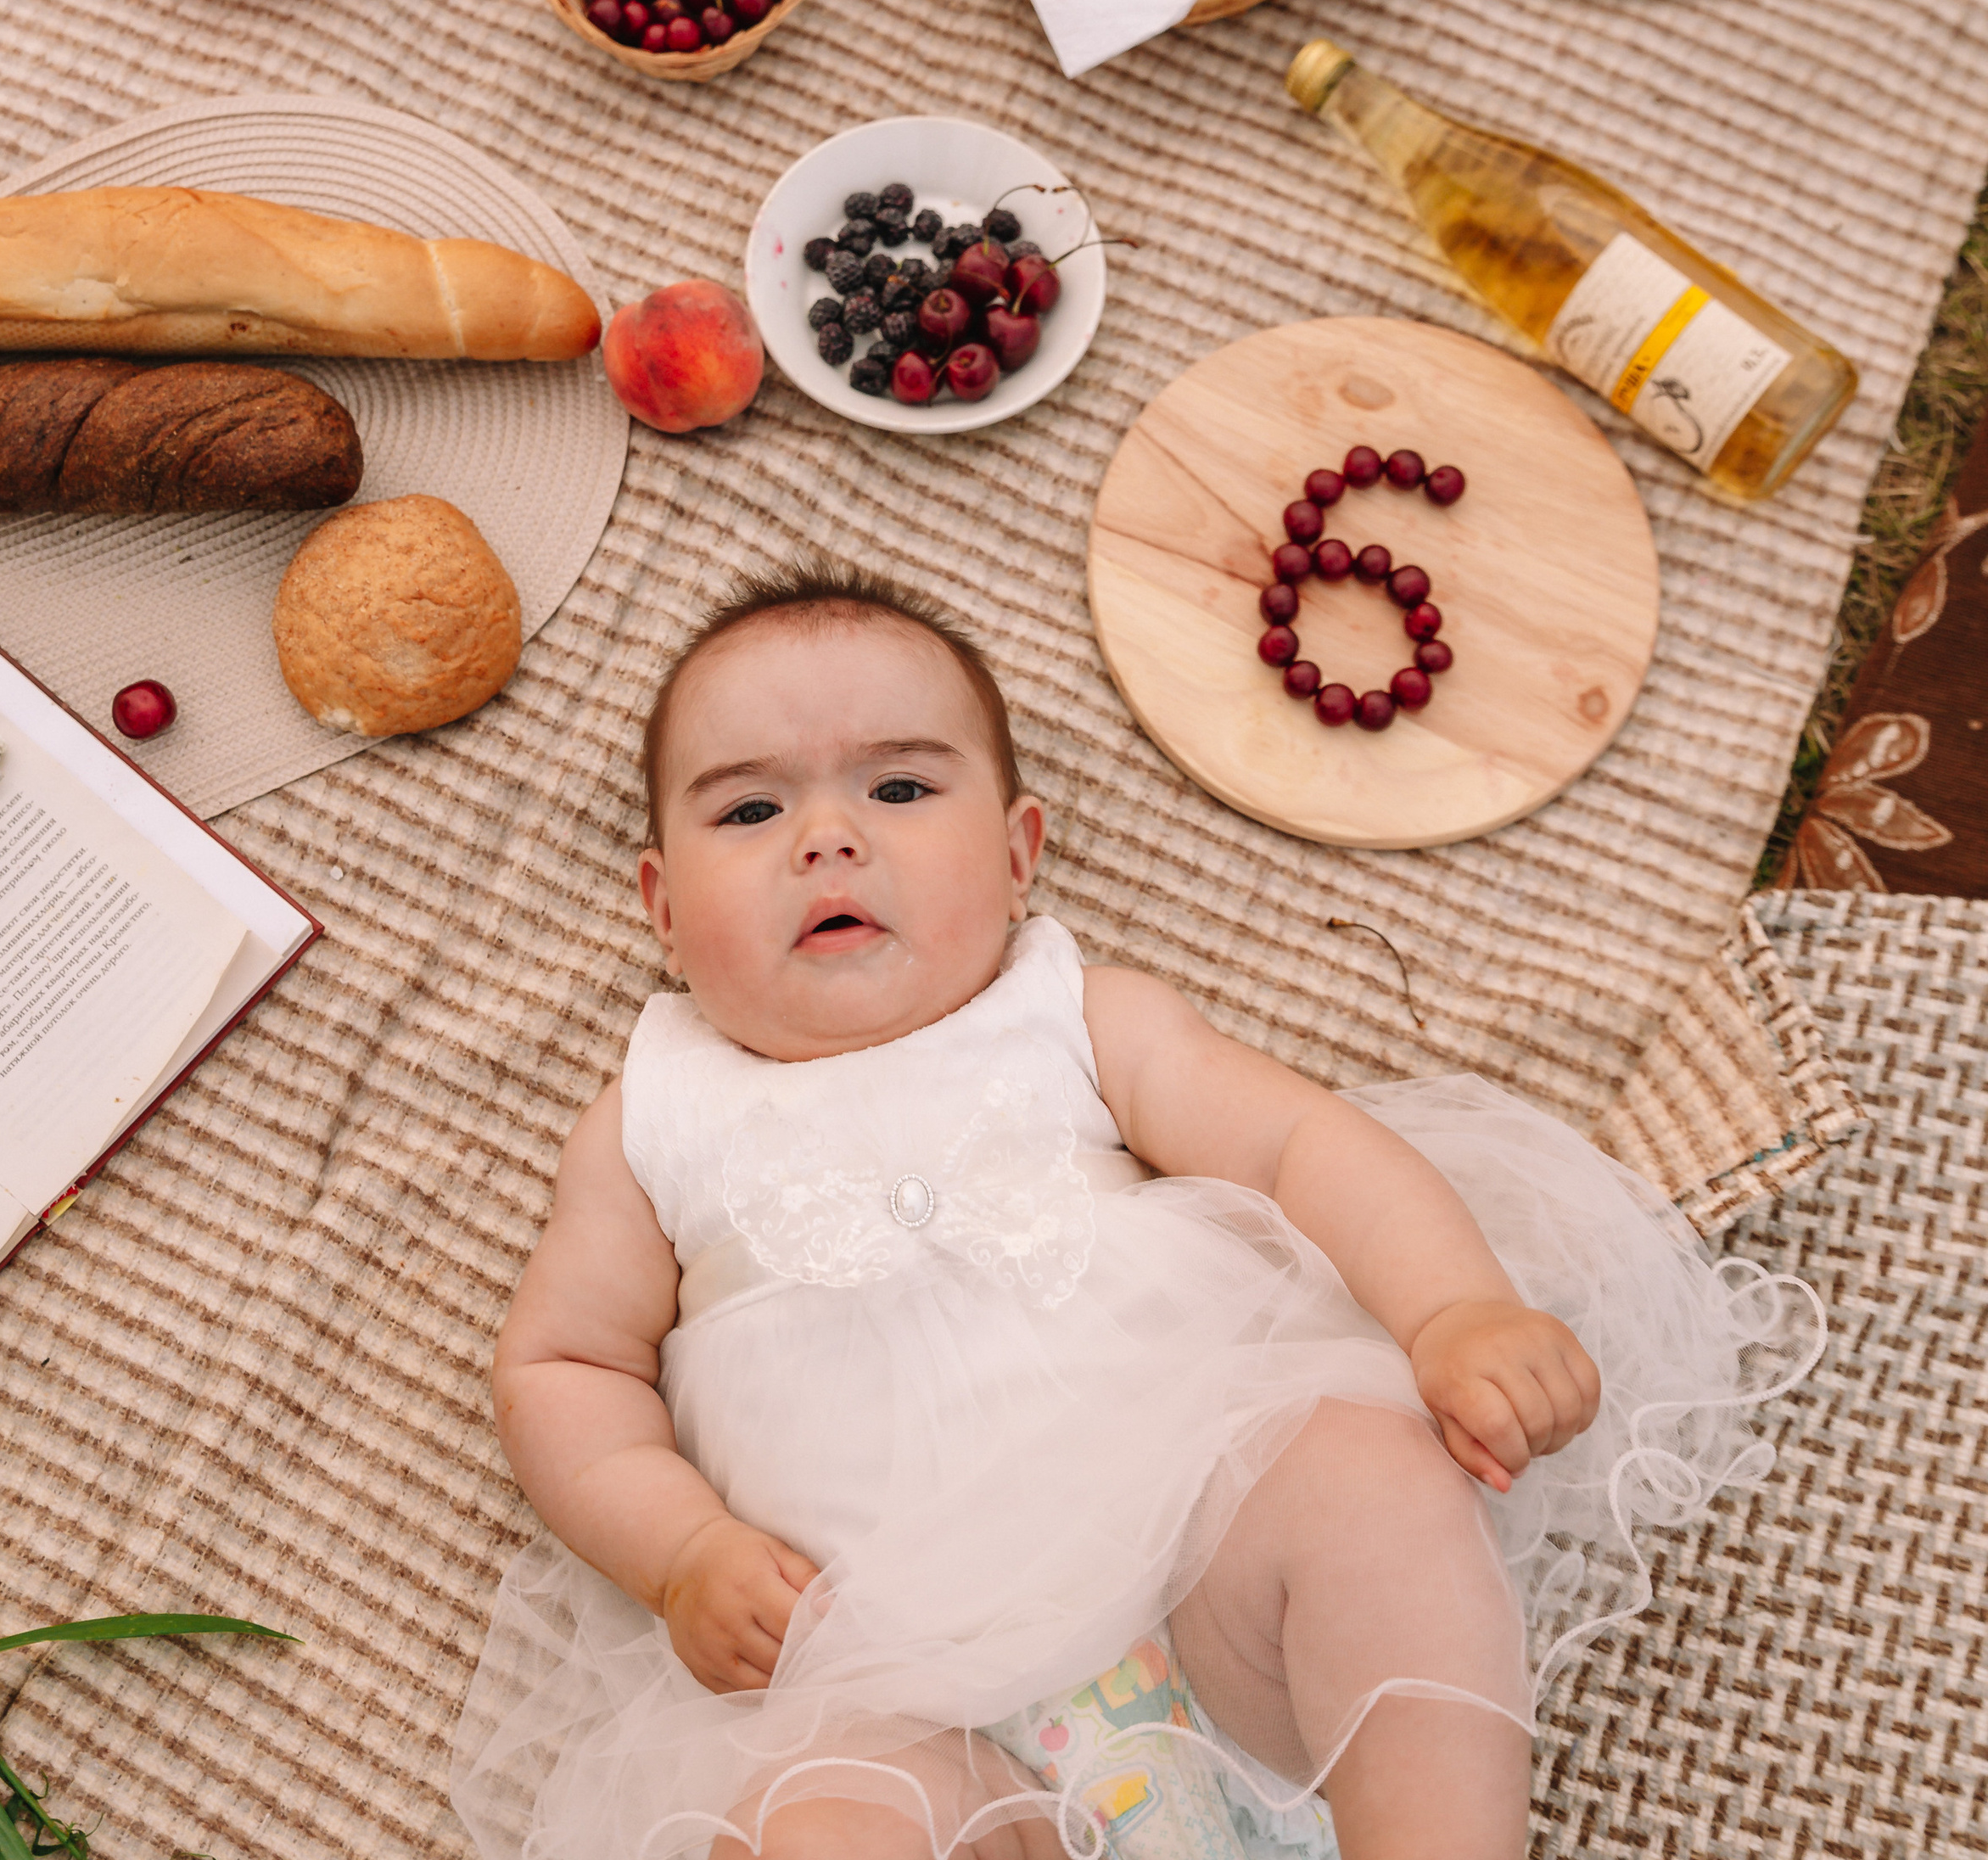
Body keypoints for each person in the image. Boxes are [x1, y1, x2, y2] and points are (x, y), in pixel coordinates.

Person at [451, 562, 1818, 1860]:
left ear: (1018, 850)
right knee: (816, 1820)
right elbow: (566, 1368)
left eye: (903, 785)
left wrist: (1451, 1305)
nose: (829, 837)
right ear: (662, 909)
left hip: (1200, 1578)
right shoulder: (651, 1118)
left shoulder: (1077, 1017)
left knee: (1363, 1474)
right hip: (897, 1693)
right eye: (748, 813)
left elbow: (1298, 1146)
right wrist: (683, 1552)